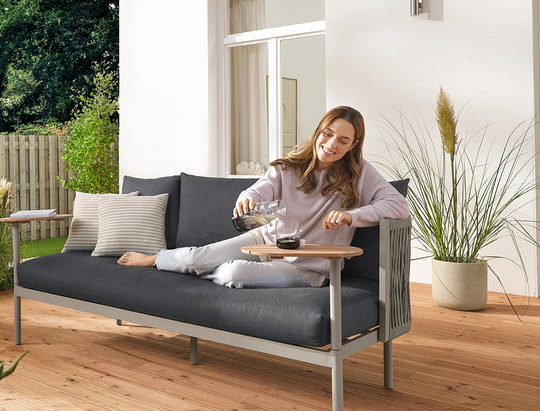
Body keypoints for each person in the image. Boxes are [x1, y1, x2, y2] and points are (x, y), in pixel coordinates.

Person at [117, 106, 410, 288]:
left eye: (343, 140)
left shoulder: (361, 173)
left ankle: (210, 268)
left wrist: (351, 215)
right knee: (199, 256)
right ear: (319, 130)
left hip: (308, 267)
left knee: (234, 275)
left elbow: (399, 204)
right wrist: (248, 196)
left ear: (353, 144)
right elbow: (261, 189)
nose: (332, 144)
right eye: (328, 133)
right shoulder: (289, 165)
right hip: (265, 240)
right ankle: (157, 259)